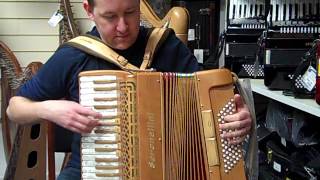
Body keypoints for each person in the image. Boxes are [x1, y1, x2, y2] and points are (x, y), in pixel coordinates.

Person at [6, 0, 252, 179]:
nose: (123, 26)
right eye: (110, 17)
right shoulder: (74, 56)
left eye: (130, 13)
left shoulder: (166, 47)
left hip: (173, 169)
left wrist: (238, 119)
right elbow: (15, 109)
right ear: (89, 10)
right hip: (91, 172)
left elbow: (211, 99)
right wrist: (50, 108)